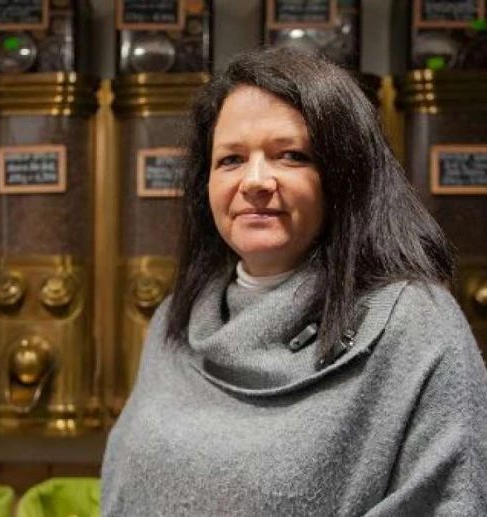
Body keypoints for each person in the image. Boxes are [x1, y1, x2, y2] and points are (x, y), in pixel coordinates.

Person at [101, 46, 487, 516]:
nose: (255, 181)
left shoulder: (416, 327)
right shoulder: (176, 319)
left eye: (291, 156)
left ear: (345, 176)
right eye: (231, 159)